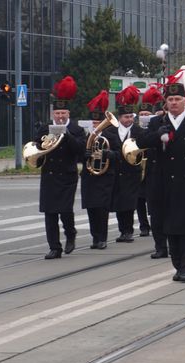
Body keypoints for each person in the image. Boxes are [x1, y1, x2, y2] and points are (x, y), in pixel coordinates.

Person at [136, 80, 185, 283]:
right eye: (170, 99)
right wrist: (158, 135)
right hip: (164, 182)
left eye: (177, 99)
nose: (173, 103)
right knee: (169, 226)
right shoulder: (158, 122)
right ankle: (178, 264)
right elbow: (140, 143)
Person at [38, 76, 86, 259]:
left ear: (68, 114)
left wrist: (66, 135)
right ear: (53, 114)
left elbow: (81, 149)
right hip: (49, 175)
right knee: (50, 213)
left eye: (63, 114)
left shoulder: (76, 130)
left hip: (67, 175)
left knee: (65, 210)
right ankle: (54, 247)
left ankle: (71, 233)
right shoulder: (45, 128)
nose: (60, 117)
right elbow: (37, 146)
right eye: (57, 114)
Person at [80, 90, 116, 251]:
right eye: (93, 123)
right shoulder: (83, 137)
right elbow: (75, 155)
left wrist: (109, 153)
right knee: (91, 208)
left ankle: (102, 238)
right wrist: (84, 154)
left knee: (102, 209)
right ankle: (95, 237)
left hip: (104, 176)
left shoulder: (111, 136)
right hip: (89, 176)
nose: (95, 126)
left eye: (98, 123)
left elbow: (119, 155)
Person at [110, 85, 144, 243]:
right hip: (117, 172)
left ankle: (128, 231)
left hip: (132, 172)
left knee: (129, 203)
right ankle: (122, 230)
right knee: (118, 203)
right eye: (126, 117)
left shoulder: (138, 131)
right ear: (120, 118)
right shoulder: (110, 131)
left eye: (131, 116)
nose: (129, 120)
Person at [137, 86, 163, 237]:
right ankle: (143, 226)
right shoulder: (136, 129)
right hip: (138, 168)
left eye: (147, 114)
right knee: (139, 200)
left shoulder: (154, 128)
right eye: (142, 114)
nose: (144, 116)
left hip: (152, 168)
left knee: (152, 200)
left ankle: (154, 224)